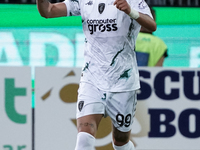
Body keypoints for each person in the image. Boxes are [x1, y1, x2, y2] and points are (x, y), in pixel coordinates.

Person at [36, 0, 156, 149]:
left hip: (123, 82)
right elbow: (48, 11)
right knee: (84, 138)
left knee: (120, 142)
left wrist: (130, 11)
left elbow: (152, 25)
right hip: (91, 79)